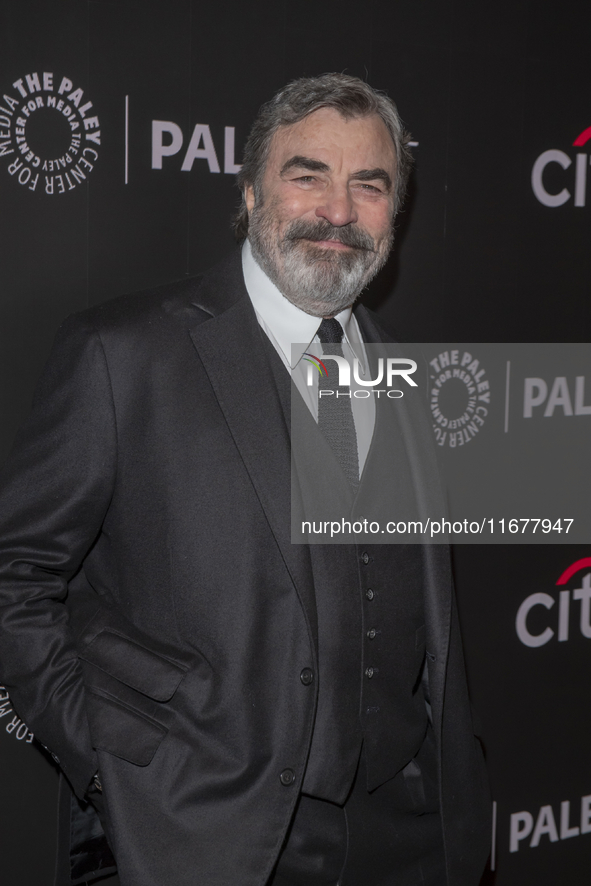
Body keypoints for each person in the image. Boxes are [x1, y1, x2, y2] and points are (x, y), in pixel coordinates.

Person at [0, 73, 490, 886]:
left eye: (367, 185)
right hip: (204, 835)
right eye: (308, 174)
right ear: (251, 188)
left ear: (393, 212)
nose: (338, 211)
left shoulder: (409, 374)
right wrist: (111, 764)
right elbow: (15, 574)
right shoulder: (121, 355)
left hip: (408, 833)